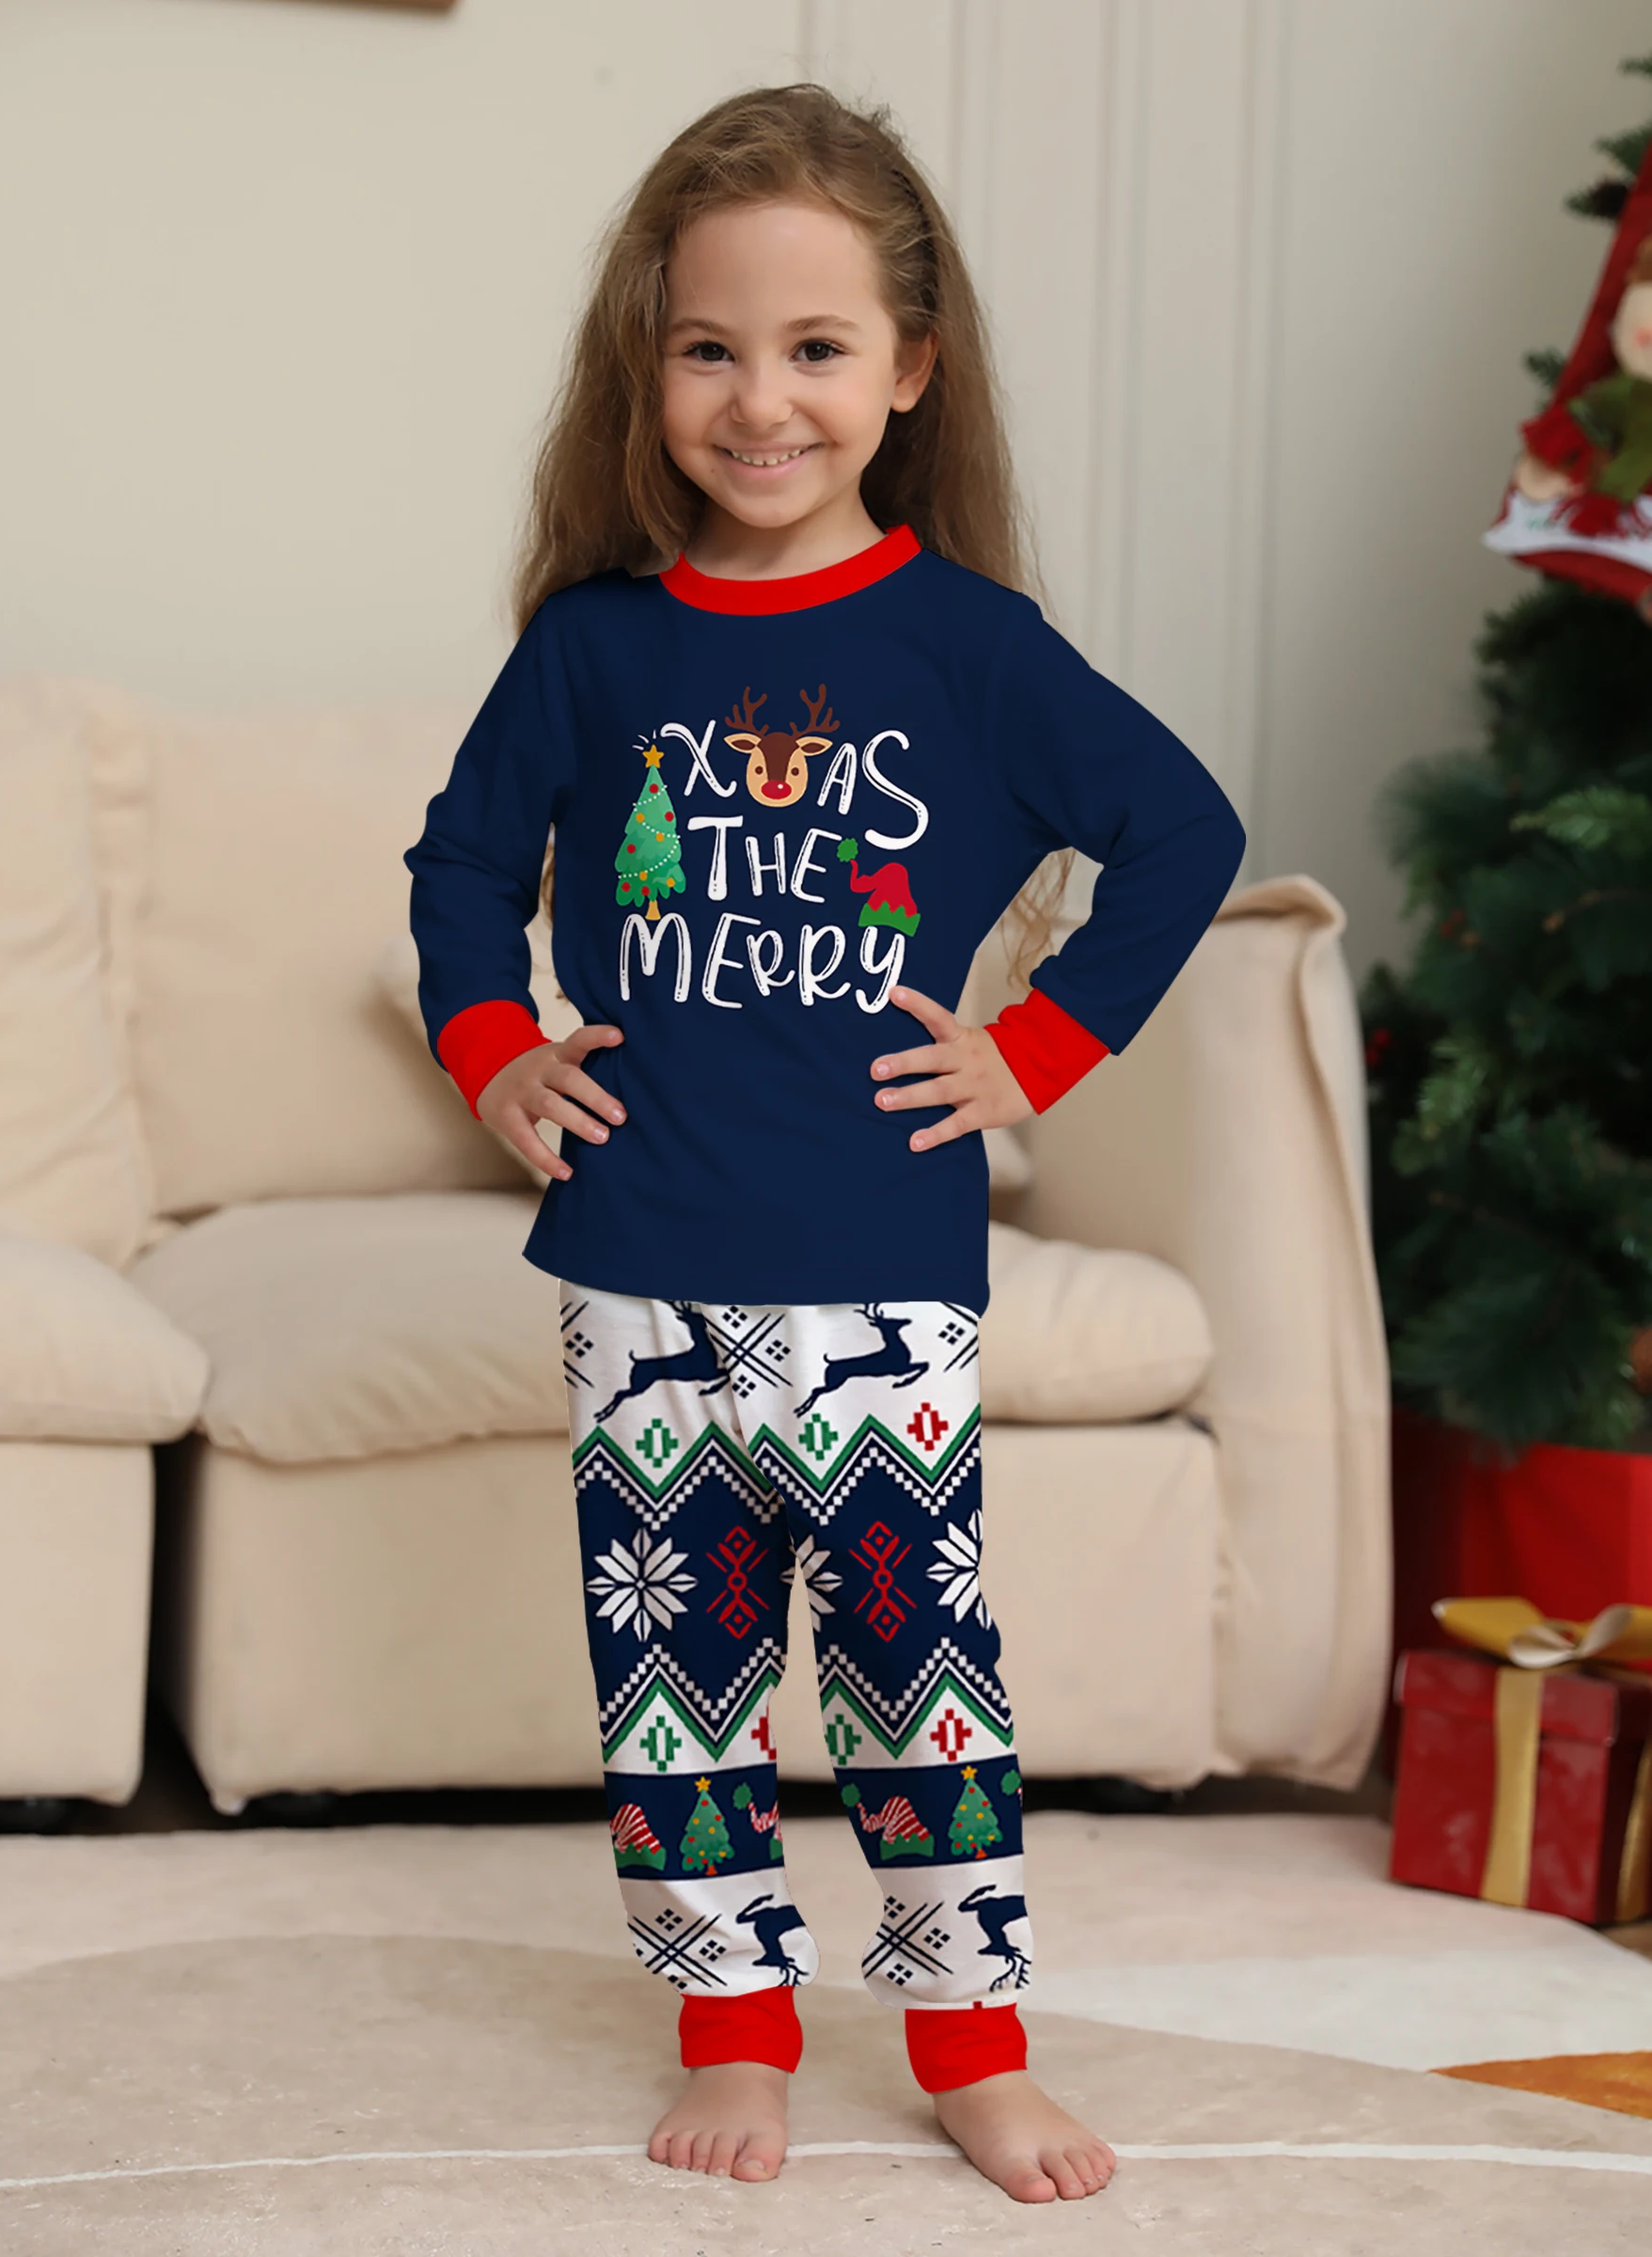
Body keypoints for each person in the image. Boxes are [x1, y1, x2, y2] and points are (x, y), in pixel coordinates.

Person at [405, 82, 1245, 2204]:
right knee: (676, 1678)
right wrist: (495, 1048)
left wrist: (1036, 1049)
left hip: (879, 1262)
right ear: (647, 364)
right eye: (709, 348)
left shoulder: (965, 645)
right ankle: (736, 2029)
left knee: (910, 1669)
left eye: (814, 348)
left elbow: (1182, 833)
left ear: (909, 370)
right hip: (637, 1266)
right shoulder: (596, 646)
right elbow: (463, 864)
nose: (759, 400)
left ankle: (971, 2046)